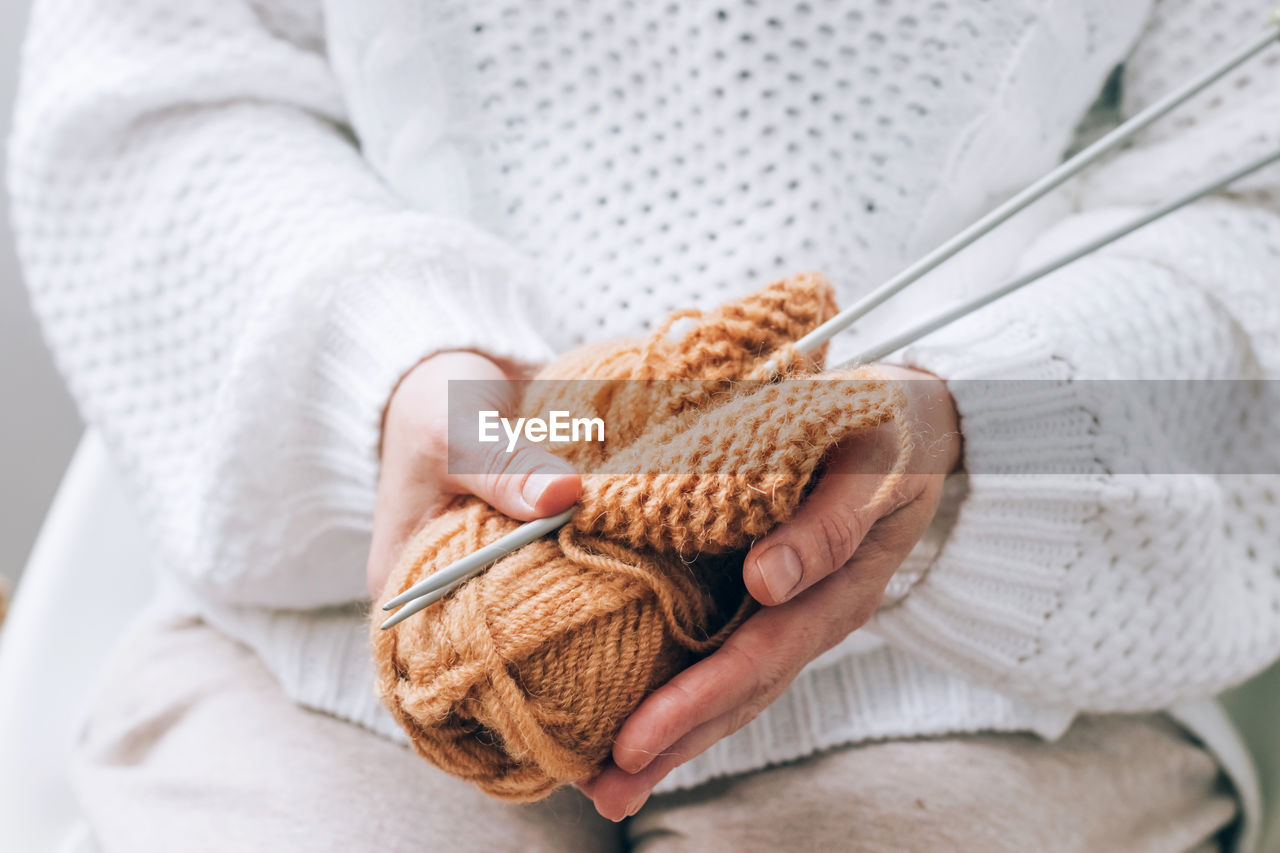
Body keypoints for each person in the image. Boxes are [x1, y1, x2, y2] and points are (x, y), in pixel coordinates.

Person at [8, 0, 1280, 849]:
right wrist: (388, 367)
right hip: (348, 628)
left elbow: (1253, 208)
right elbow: (144, 98)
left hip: (991, 671)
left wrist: (975, 425)